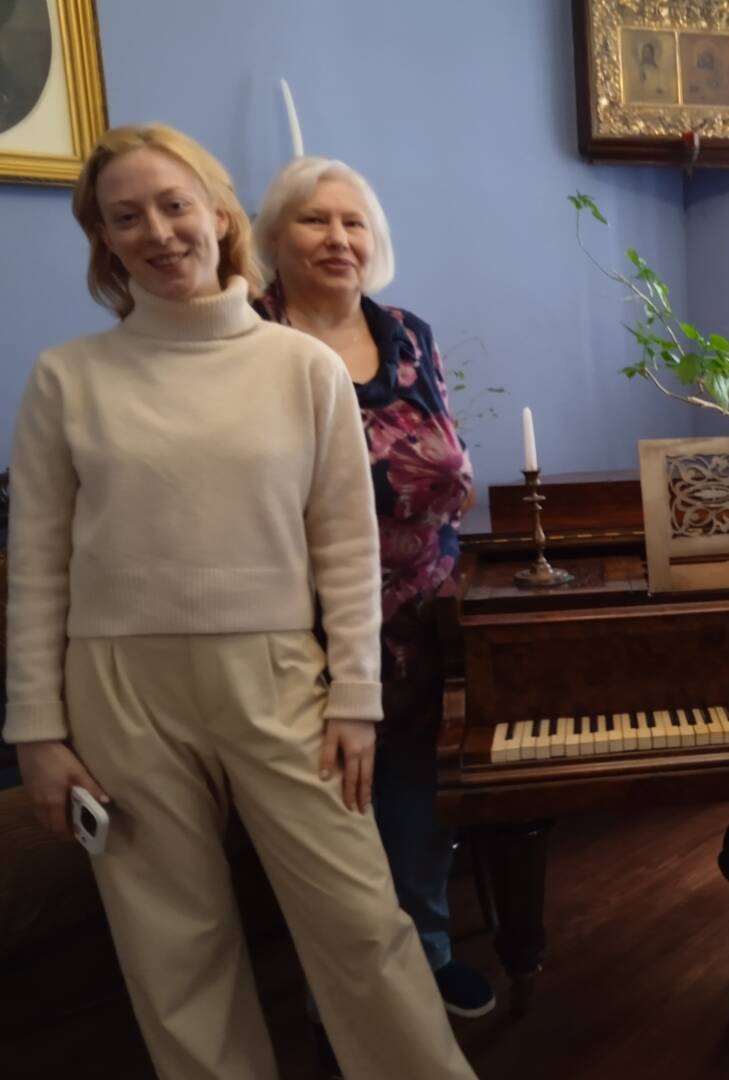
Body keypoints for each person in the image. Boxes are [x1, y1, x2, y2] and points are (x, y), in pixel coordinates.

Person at [3, 123, 477, 1080]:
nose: (157, 232)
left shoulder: (301, 366)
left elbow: (345, 548)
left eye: (174, 205)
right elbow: (38, 564)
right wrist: (37, 733)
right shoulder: (67, 378)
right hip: (116, 688)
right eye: (125, 217)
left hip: (279, 675)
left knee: (361, 923)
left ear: (219, 216)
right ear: (104, 239)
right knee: (172, 949)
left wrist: (356, 699)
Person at [250, 157, 489, 1060]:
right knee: (332, 823)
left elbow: (448, 461)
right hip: (303, 628)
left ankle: (427, 955)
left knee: (417, 803)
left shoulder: (407, 333)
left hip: (425, 615)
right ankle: (344, 988)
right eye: (314, 220)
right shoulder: (249, 336)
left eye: (353, 222)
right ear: (273, 237)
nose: (337, 238)